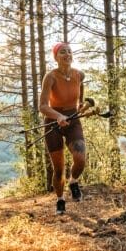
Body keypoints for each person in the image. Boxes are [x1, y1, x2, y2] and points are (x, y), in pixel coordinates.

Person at [39, 42, 87, 215]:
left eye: (69, 51)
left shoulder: (78, 74)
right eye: (62, 52)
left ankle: (73, 182)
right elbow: (42, 106)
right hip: (53, 122)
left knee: (80, 158)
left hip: (73, 119)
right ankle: (60, 200)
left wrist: (81, 103)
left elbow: (81, 87)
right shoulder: (50, 77)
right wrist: (58, 116)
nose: (67, 54)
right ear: (56, 57)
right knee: (58, 169)